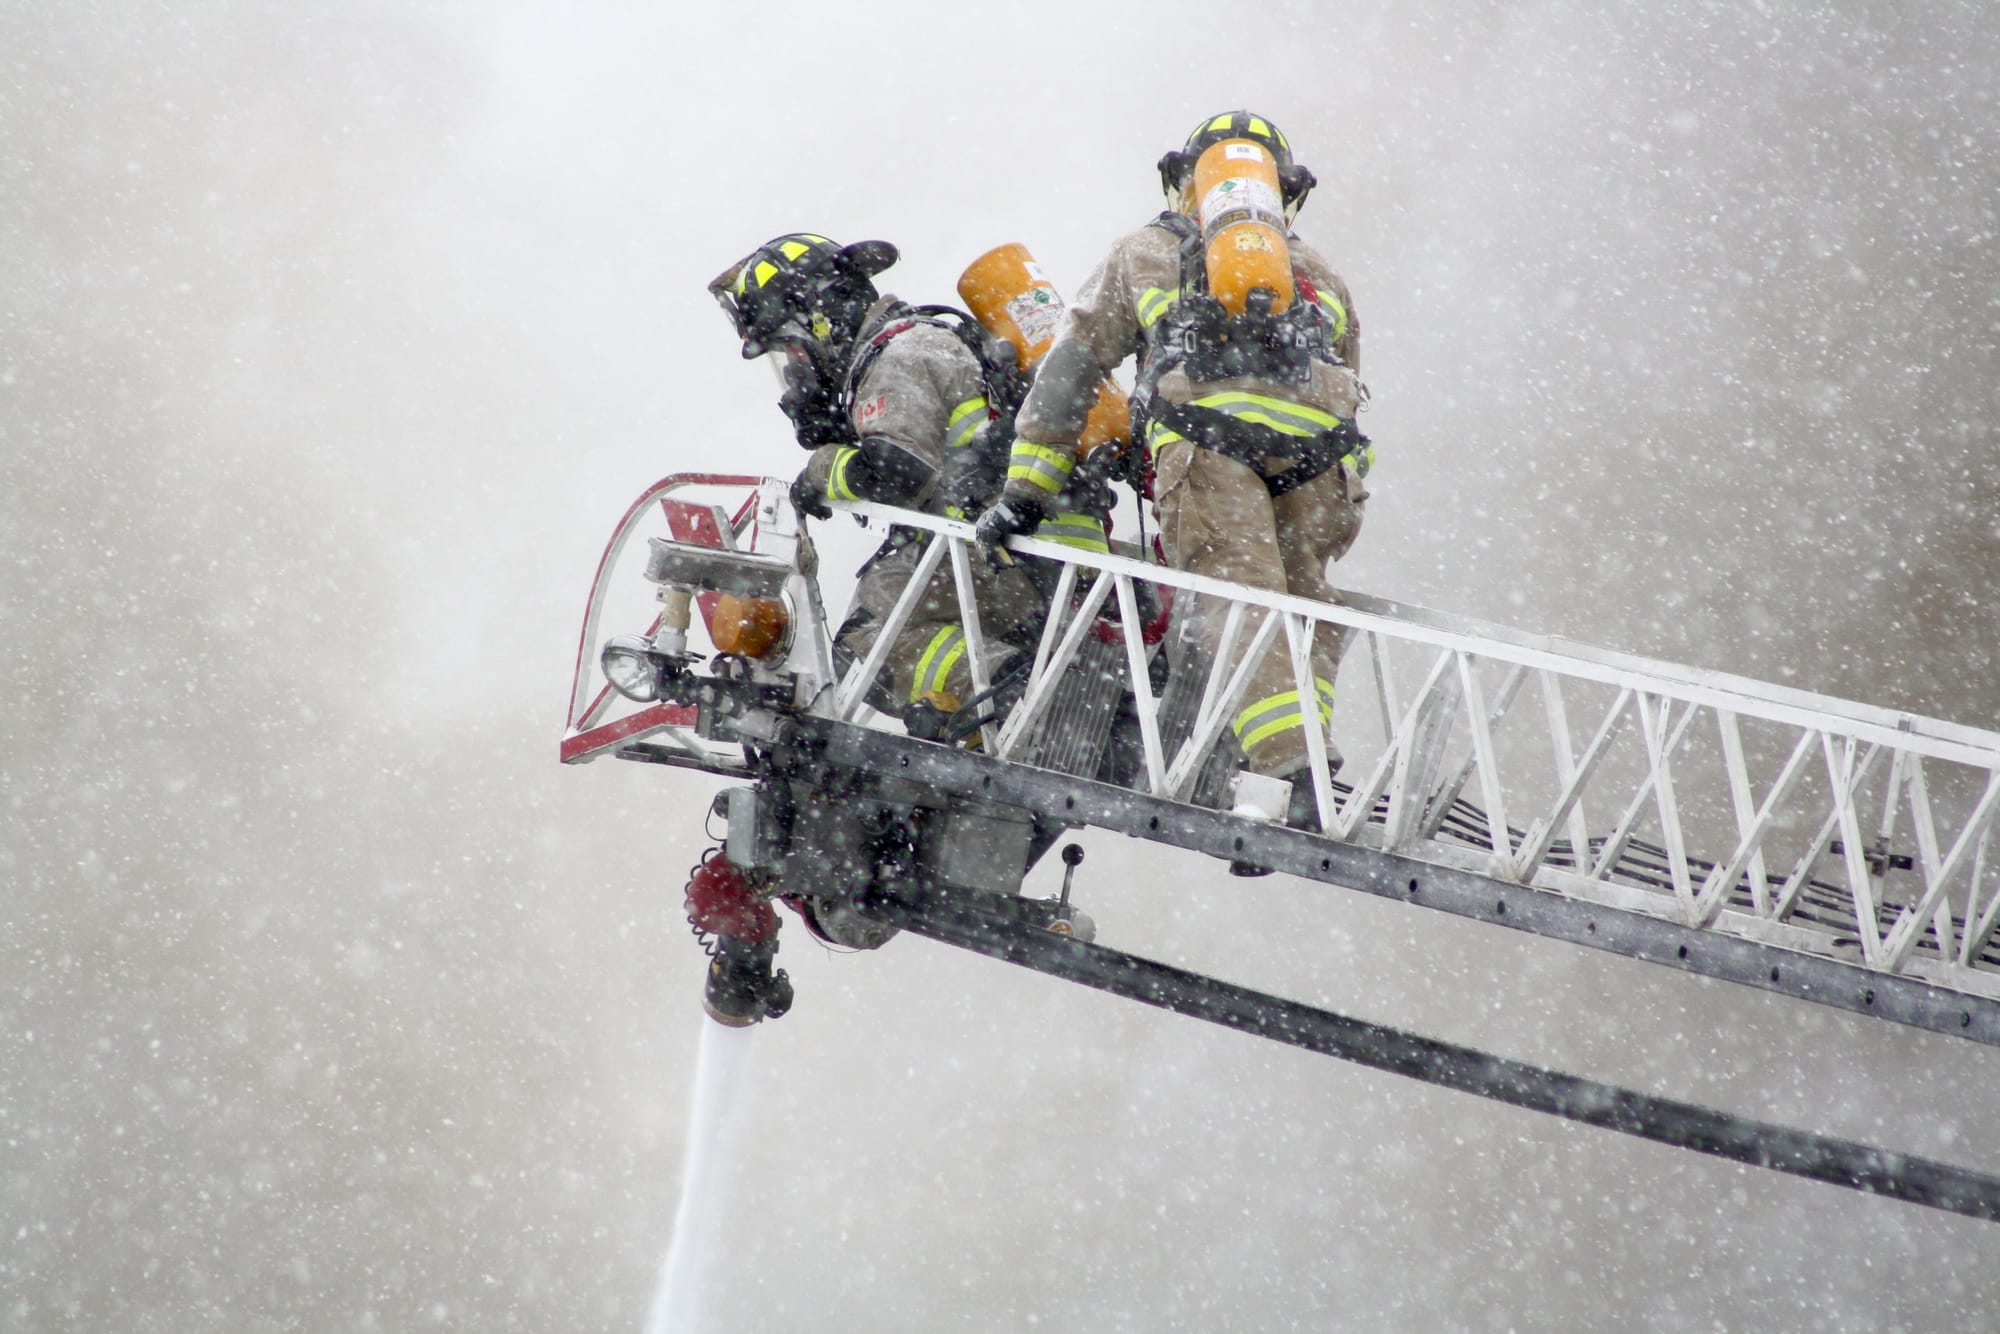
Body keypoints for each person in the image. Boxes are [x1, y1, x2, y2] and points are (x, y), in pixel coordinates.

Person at [977, 111, 1371, 830]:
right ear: (1286, 190)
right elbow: (1353, 384)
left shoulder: (1146, 250)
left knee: (1243, 600)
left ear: (1182, 183)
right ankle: (1299, 771)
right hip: (1323, 463)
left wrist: (1026, 490)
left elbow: (1070, 372)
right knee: (1307, 601)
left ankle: (1288, 772)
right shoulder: (1320, 276)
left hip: (1209, 442)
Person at [708, 233, 1047, 740]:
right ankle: (989, 706)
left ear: (821, 321)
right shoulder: (924, 342)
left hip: (1006, 558)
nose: (797, 377)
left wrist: (822, 470)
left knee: (866, 642)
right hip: (1022, 555)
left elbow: (894, 474)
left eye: (792, 353)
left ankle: (1017, 692)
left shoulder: (902, 353)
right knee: (887, 592)